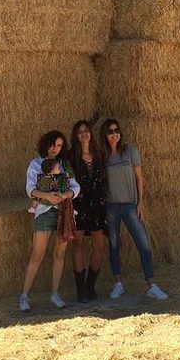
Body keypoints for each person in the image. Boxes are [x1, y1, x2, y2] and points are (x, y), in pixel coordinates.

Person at [100, 118, 168, 300]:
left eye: (116, 131)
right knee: (114, 245)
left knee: (143, 243)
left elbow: (139, 178)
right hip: (111, 206)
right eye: (110, 132)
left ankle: (151, 284)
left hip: (130, 205)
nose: (114, 134)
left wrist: (140, 202)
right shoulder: (103, 157)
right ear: (105, 135)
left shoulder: (130, 152)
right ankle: (118, 283)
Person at [19, 131, 80, 311]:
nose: (56, 148)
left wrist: (67, 194)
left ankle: (55, 294)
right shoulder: (36, 164)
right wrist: (47, 196)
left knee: (59, 254)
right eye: (53, 144)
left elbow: (75, 186)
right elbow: (30, 188)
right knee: (37, 254)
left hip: (64, 212)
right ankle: (24, 296)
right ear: (46, 144)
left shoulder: (64, 165)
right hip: (44, 212)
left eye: (60, 145)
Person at [69, 119, 107, 302]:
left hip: (98, 205)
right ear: (76, 136)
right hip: (78, 205)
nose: (84, 133)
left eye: (86, 130)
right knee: (78, 245)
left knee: (99, 245)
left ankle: (91, 286)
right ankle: (81, 290)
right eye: (80, 131)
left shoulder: (100, 155)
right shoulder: (70, 157)